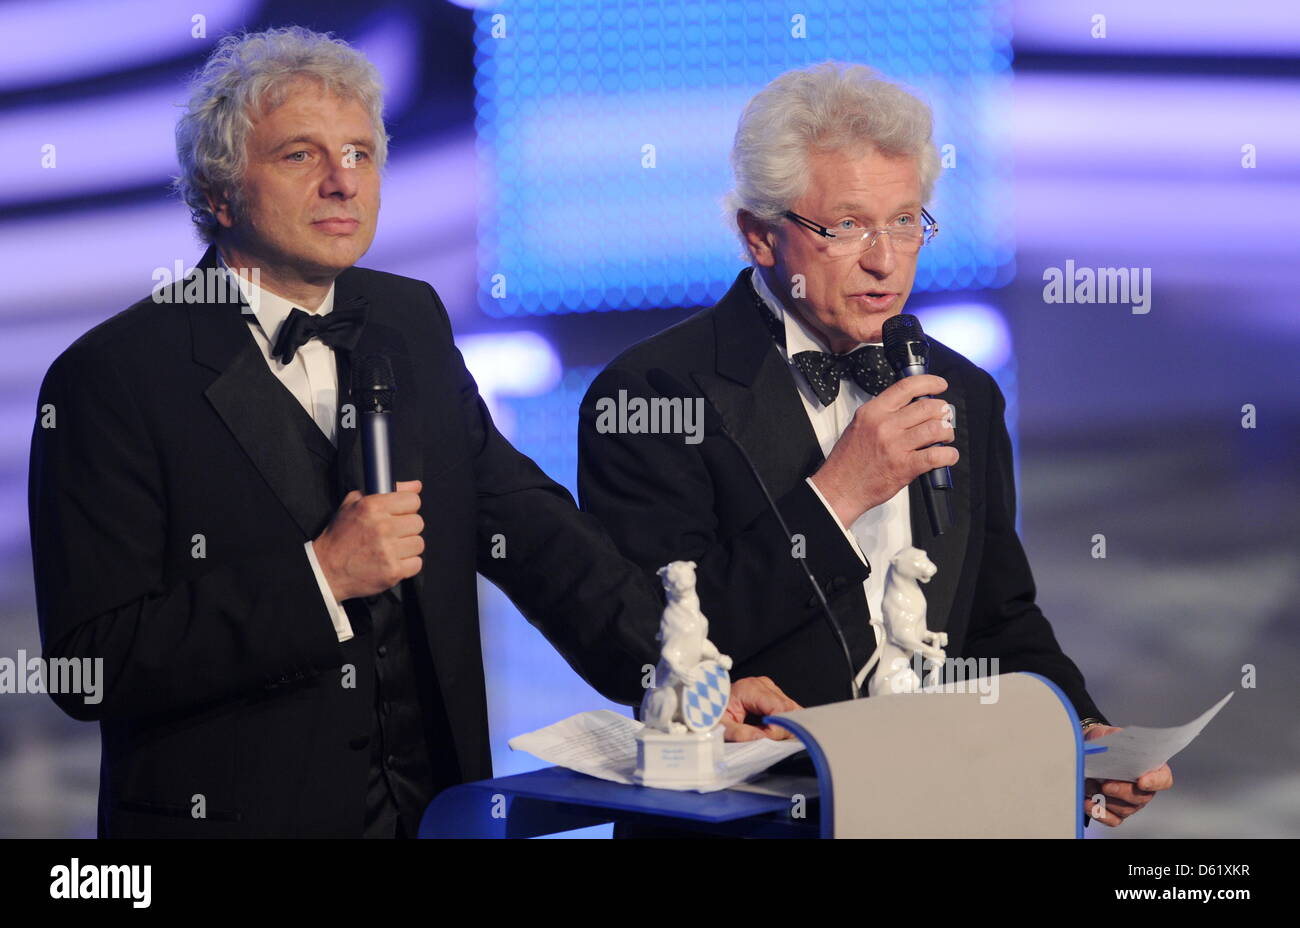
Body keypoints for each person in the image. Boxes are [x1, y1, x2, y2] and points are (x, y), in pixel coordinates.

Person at [27, 26, 794, 839]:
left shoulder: (408, 321)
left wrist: (682, 678)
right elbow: (93, 666)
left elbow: (538, 537)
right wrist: (319, 577)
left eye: (360, 154)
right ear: (219, 192)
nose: (341, 183)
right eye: (300, 156)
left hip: (435, 817)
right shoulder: (111, 377)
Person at [577, 62, 1171, 828]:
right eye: (847, 226)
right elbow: (662, 644)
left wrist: (1083, 738)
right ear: (761, 236)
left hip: (948, 810)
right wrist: (839, 493)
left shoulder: (966, 392)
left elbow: (997, 619)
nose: (885, 260)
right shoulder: (652, 396)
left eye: (905, 221)